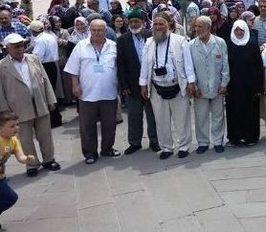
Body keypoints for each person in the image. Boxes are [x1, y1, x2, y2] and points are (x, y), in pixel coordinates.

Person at [0, 34, 60, 177]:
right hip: (17, 108)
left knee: (45, 135)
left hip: (39, 103)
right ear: (7, 48)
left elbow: (45, 79)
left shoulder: (33, 59)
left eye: (21, 45)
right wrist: (4, 112)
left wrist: (51, 99)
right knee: (25, 139)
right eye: (15, 46)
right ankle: (31, 164)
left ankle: (48, 159)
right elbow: (0, 91)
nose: (20, 49)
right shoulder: (2, 66)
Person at [139, 13, 196, 159]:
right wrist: (143, 85)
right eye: (155, 24)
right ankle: (166, 147)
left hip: (177, 86)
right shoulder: (149, 42)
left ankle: (183, 146)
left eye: (161, 24)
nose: (158, 27)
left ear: (169, 25)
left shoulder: (180, 41)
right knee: (161, 120)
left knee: (181, 119)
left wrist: (191, 82)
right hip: (157, 87)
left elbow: (188, 63)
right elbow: (145, 65)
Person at [64, 19, 120, 164]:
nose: (96, 33)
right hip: (87, 94)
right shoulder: (81, 46)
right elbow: (73, 70)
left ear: (105, 31)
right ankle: (90, 153)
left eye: (99, 30)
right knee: (87, 126)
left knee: (109, 124)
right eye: (93, 30)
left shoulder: (113, 46)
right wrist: (75, 86)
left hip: (109, 93)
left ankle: (107, 149)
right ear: (90, 30)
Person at [116, 9, 159, 155]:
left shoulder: (152, 36)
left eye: (137, 21)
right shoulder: (122, 40)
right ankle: (134, 143)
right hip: (132, 86)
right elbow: (120, 64)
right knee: (134, 115)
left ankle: (155, 141)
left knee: (153, 114)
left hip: (152, 84)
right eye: (131, 21)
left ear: (143, 22)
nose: (134, 24)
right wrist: (124, 86)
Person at [189, 16, 229, 154]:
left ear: (208, 28)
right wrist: (193, 85)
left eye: (200, 26)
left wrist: (224, 83)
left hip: (217, 86)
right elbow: (190, 68)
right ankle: (203, 142)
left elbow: (225, 65)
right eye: (196, 26)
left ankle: (218, 141)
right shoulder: (191, 45)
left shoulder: (220, 42)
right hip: (200, 88)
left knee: (218, 115)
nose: (197, 29)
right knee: (201, 116)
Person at [226, 20, 264, 146]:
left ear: (245, 30)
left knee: (251, 111)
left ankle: (251, 137)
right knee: (234, 111)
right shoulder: (228, 44)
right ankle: (235, 137)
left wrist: (259, 87)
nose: (238, 32)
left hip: (250, 86)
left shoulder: (252, 44)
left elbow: (259, 66)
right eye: (236, 30)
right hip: (233, 85)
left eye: (241, 30)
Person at [0, 113, 37, 228]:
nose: (16, 128)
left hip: (1, 177)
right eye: (12, 126)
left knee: (7, 199)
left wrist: (27, 159)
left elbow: (20, 156)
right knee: (11, 197)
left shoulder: (14, 141)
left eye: (17, 124)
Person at [28, 21, 62, 127]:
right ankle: (56, 118)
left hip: (45, 67)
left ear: (33, 31)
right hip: (52, 65)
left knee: (47, 93)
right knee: (51, 92)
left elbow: (37, 57)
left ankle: (53, 119)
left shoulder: (40, 40)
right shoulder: (50, 36)